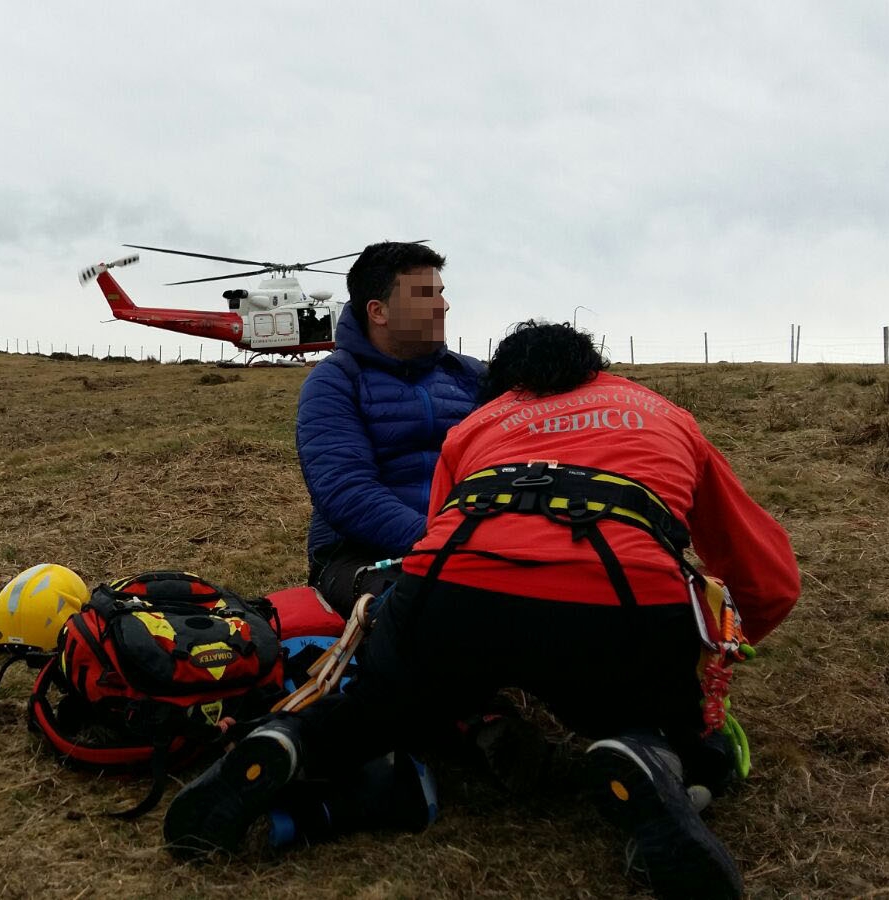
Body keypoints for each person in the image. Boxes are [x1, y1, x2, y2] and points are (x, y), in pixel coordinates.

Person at [167, 321, 800, 900]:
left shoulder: (477, 425)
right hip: (619, 599)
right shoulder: (663, 414)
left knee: (375, 710)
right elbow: (764, 576)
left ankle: (290, 739)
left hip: (456, 589)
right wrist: (714, 660)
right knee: (687, 733)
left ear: (503, 385)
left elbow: (435, 539)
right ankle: (651, 753)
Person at [296, 241, 486, 613]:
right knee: (437, 610)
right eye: (424, 295)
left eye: (441, 294)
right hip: (360, 555)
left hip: (472, 543)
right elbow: (346, 491)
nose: (443, 306)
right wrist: (441, 540)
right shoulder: (334, 382)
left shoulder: (471, 376)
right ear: (378, 311)